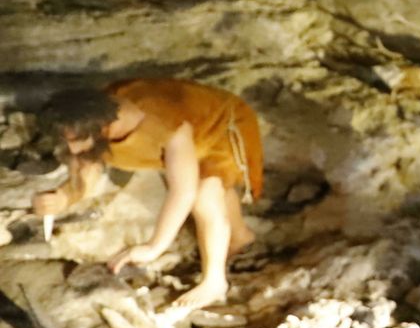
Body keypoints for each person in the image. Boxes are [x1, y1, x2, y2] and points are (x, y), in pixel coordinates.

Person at [32, 78, 264, 314]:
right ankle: (239, 238)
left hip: (218, 126)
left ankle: (214, 282)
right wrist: (63, 197)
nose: (72, 150)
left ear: (101, 127)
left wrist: (154, 246)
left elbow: (183, 190)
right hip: (185, 132)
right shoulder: (91, 121)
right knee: (216, 200)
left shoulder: (164, 125)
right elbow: (87, 167)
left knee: (205, 194)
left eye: (74, 141)